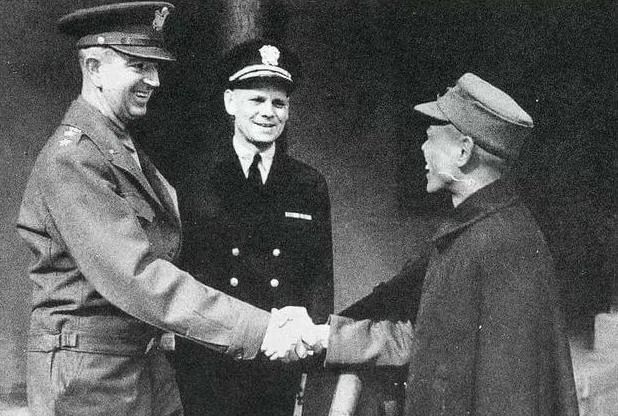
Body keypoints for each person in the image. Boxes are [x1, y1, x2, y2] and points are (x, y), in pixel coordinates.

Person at [16, 4, 300, 415]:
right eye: (139, 65)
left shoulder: (119, 148)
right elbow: (140, 278)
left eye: (154, 66)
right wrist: (262, 329)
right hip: (90, 377)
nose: (154, 79)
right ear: (94, 68)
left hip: (137, 367)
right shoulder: (75, 159)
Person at [271, 73, 580, 416]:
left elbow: (505, 394)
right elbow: (423, 340)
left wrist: (325, 336)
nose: (422, 148)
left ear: (463, 151)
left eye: (431, 136)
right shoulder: (484, 230)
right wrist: (325, 336)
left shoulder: (492, 242)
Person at [172, 38, 334, 416]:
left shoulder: (308, 184)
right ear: (230, 103)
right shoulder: (195, 179)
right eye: (256, 100)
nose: (268, 113)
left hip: (278, 361)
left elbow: (320, 277)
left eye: (279, 103)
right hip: (209, 361)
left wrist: (310, 344)